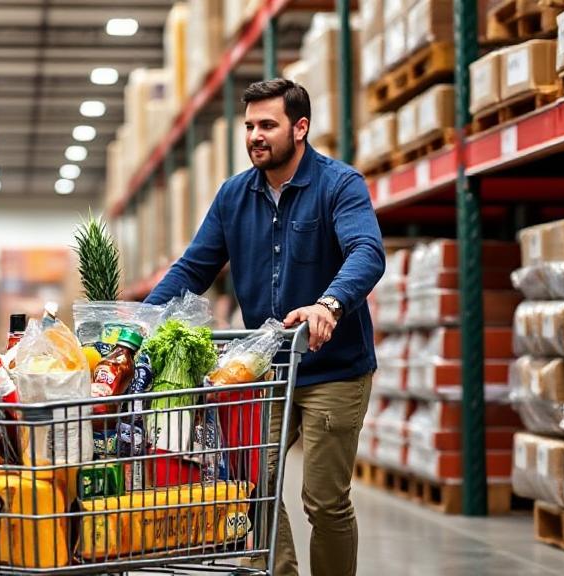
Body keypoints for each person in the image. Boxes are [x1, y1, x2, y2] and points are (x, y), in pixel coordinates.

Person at [144, 78, 385, 576]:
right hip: (266, 369)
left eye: (267, 125)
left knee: (323, 499)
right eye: (250, 125)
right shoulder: (234, 196)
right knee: (252, 485)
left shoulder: (339, 185)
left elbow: (367, 251)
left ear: (300, 128)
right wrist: (138, 322)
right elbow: (193, 269)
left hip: (333, 368)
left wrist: (329, 304)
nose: (255, 135)